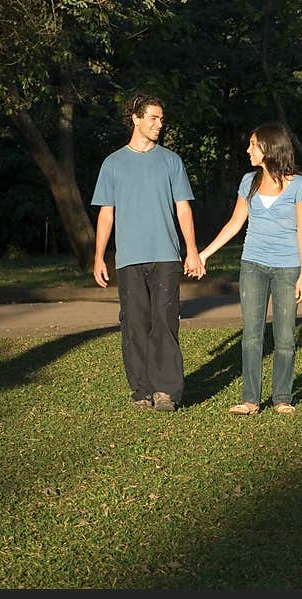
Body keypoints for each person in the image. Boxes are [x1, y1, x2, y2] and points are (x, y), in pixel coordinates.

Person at [91, 94, 203, 411]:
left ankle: (167, 391)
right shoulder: (112, 164)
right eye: (153, 118)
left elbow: (183, 209)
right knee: (134, 324)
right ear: (136, 119)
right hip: (128, 259)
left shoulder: (171, 162)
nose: (159, 124)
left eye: (161, 119)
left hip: (166, 256)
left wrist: (191, 250)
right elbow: (106, 214)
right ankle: (142, 391)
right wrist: (99, 257)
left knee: (165, 322)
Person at [198, 121, 302, 415]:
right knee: (252, 334)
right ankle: (250, 400)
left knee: (285, 336)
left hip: (288, 268)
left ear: (269, 148)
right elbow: (235, 224)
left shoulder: (299, 185)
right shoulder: (248, 181)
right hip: (253, 266)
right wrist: (204, 254)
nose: (248, 150)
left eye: (253, 144)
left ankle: (282, 398)